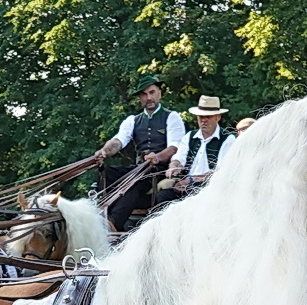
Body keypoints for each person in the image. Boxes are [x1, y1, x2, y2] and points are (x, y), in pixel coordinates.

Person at [95, 75, 185, 231]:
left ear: (159, 93)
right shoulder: (133, 120)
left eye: (152, 92)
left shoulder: (172, 117)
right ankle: (98, 215)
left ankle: (113, 223)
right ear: (139, 98)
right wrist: (104, 151)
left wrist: (157, 157)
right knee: (106, 173)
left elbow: (174, 147)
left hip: (161, 171)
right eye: (144, 94)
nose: (149, 97)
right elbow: (118, 141)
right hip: (139, 170)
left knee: (134, 183)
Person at [161, 95, 235, 204]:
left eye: (208, 117)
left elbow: (220, 171)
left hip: (210, 186)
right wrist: (174, 166)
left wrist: (191, 180)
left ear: (218, 117)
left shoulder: (227, 139)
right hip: (186, 184)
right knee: (162, 197)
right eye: (201, 117)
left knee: (190, 195)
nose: (204, 120)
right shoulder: (190, 136)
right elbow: (179, 158)